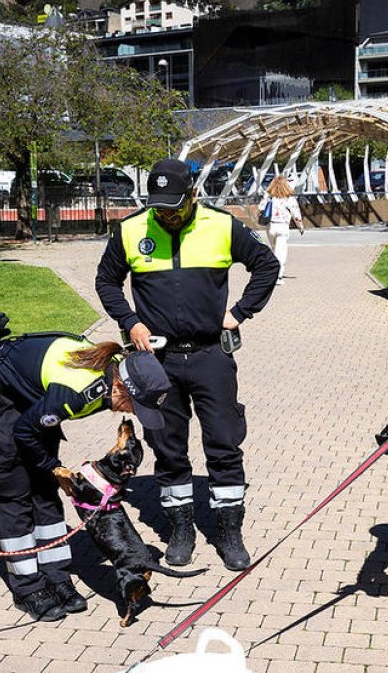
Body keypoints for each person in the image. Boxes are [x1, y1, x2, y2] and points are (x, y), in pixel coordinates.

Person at [95, 157, 279, 572]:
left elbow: (267, 265)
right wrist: (130, 321)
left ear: (193, 194)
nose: (167, 214)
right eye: (159, 207)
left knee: (224, 443)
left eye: (174, 205)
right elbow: (106, 280)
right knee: (168, 447)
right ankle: (181, 530)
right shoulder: (130, 230)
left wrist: (240, 312)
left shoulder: (221, 224)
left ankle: (229, 532)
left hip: (211, 355)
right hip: (157, 361)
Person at [0, 317, 172, 622]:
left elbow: (35, 429)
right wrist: (55, 467)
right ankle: (28, 588)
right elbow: (23, 431)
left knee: (45, 487)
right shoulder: (79, 391)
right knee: (12, 484)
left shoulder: (112, 372)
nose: (131, 414)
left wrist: (51, 470)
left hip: (31, 397)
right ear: (120, 386)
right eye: (134, 406)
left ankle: (57, 578)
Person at [257, 175, 304, 285]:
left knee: (274, 249)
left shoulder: (268, 196)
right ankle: (278, 275)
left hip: (271, 226)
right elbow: (296, 214)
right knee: (281, 252)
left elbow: (260, 208)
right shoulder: (289, 198)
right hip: (283, 226)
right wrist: (300, 226)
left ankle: (272, 271)